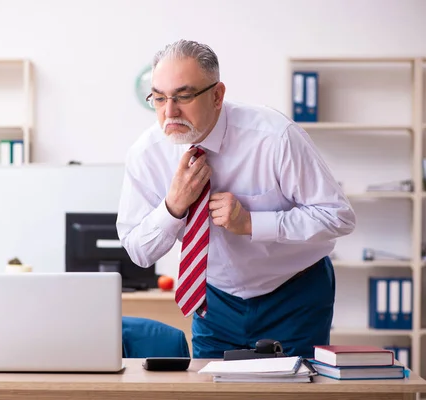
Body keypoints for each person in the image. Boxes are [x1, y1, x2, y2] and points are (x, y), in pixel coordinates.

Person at [116, 39, 356, 359]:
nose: (169, 111)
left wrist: (252, 222)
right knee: (211, 392)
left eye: (183, 96)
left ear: (217, 95)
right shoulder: (147, 154)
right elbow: (138, 251)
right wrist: (173, 206)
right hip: (214, 301)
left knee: (295, 392)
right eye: (159, 98)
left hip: (294, 295)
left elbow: (338, 216)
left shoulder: (274, 136)